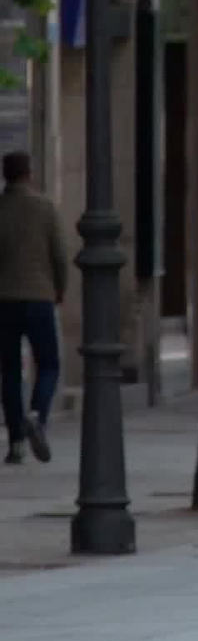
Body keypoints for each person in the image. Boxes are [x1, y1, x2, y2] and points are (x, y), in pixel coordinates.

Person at [0, 152, 69, 465]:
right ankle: (38, 415)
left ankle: (15, 442)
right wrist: (60, 288)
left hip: (5, 300)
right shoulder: (45, 207)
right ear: (29, 173)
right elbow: (59, 253)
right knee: (49, 363)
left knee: (10, 372)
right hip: (40, 297)